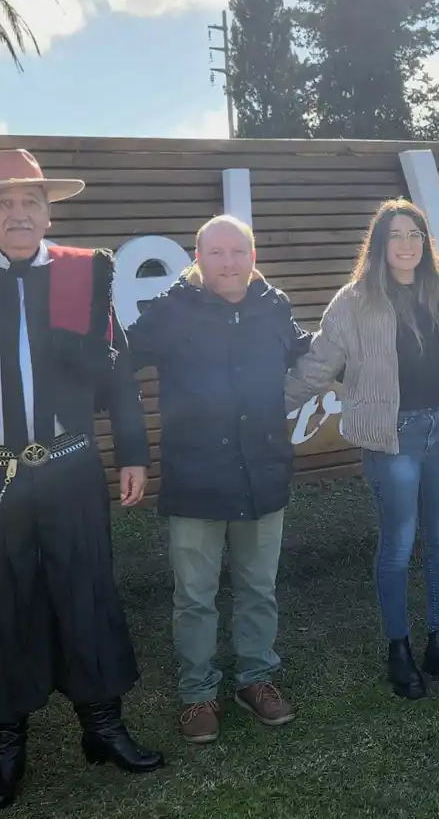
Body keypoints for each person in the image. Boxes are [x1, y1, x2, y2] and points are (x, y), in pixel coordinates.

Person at [0, 149, 163, 813]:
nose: (18, 213)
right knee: (0, 603)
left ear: (48, 210)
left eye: (30, 202)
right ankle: (7, 747)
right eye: (3, 202)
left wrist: (133, 454)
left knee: (86, 591)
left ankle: (103, 729)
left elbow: (117, 373)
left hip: (70, 465)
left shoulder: (87, 274)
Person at [127, 215, 309, 744]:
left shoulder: (273, 305)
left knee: (258, 586)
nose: (228, 263)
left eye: (238, 251)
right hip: (196, 477)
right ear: (198, 259)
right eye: (216, 253)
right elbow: (118, 364)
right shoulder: (169, 311)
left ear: (253, 255)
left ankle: (256, 679)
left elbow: (303, 351)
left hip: (263, 472)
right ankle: (197, 692)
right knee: (195, 595)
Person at [285, 199, 439, 700]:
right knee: (398, 543)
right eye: (396, 236)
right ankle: (400, 649)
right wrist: (269, 406)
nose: (406, 244)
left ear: (425, 242)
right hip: (393, 437)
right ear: (379, 245)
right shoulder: (353, 301)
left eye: (414, 234)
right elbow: (319, 365)